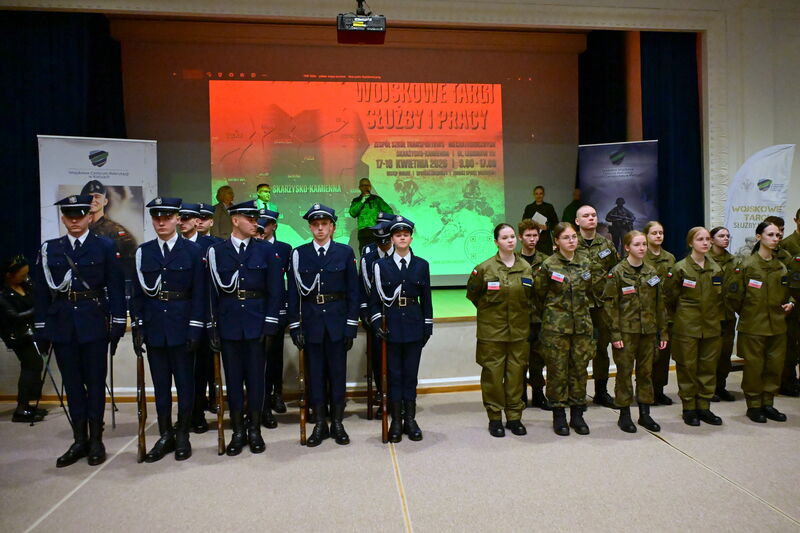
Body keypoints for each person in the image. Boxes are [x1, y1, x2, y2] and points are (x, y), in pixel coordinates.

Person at [33, 194, 126, 467]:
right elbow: (41, 292)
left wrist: (118, 320)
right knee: (72, 386)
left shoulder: (104, 246)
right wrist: (41, 326)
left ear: (88, 217)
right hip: (62, 325)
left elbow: (116, 286)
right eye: (69, 216)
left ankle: (96, 440)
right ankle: (79, 440)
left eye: (79, 215)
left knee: (95, 384)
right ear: (63, 219)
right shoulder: (51, 248)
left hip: (94, 323)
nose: (74, 220)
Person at [131, 198, 206, 462]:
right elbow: (137, 293)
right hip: (155, 327)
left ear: (177, 219)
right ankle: (165, 434)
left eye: (166, 217)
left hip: (182, 325)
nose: (161, 222)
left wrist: (196, 328)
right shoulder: (144, 252)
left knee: (186, 385)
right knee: (161, 386)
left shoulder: (193, 252)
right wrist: (138, 324)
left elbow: (199, 293)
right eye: (156, 218)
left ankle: (182, 433)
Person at [208, 200, 283, 455]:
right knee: (233, 379)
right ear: (235, 220)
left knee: (256, 379)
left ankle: (255, 429)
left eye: (256, 218)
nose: (255, 223)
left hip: (256, 323)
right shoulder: (218, 251)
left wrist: (271, 322)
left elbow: (275, 290)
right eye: (249, 218)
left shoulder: (265, 251)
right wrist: (213, 327)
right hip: (229, 323)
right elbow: (212, 294)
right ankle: (238, 430)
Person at [287, 204, 360, 447]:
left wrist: (351, 325)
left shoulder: (344, 252)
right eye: (315, 225)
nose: (319, 229)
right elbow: (293, 293)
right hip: (311, 323)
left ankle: (337, 422)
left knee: (337, 374)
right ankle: (320, 423)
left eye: (324, 225)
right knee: (315, 375)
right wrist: (296, 326)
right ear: (310, 227)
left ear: (332, 227)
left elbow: (353, 290)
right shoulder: (299, 254)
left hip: (338, 322)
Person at [534, 222, 601, 436]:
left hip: (581, 326)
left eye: (574, 236)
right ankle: (559, 414)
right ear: (556, 241)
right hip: (556, 328)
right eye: (566, 237)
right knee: (557, 371)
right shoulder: (548, 265)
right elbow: (539, 295)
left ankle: (578, 414)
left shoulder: (586, 263)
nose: (572, 240)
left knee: (580, 370)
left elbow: (591, 292)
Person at [369, 216, 433, 442]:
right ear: (392, 238)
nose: (402, 237)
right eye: (398, 235)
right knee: (394, 376)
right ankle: (396, 420)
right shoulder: (380, 266)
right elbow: (375, 300)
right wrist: (377, 323)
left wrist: (427, 325)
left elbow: (426, 298)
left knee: (410, 376)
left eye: (406, 234)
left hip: (414, 325)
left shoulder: (421, 264)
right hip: (392, 326)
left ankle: (410, 420)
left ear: (411, 237)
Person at [466, 223, 533, 437]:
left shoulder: (526, 268)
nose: (510, 240)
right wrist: (491, 315)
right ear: (496, 242)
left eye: (513, 236)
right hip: (492, 333)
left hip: (519, 332)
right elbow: (474, 295)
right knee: (493, 376)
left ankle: (514, 417)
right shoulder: (484, 268)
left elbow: (530, 298)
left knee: (516, 375)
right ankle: (494, 417)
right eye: (505, 238)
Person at [725, 221, 795, 423]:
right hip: (754, 326)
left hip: (778, 325)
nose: (775, 239)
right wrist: (750, 313)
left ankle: (768, 403)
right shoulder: (746, 265)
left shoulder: (780, 266)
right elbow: (733, 297)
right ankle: (754, 405)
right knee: (755, 367)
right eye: (771, 235)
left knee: (774, 367)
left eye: (778, 236)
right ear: (759, 237)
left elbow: (788, 293)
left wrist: (790, 303)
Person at [602, 231, 667, 433]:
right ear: (627, 247)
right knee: (624, 373)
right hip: (626, 332)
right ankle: (624, 414)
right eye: (637, 244)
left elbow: (660, 304)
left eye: (644, 244)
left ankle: (645, 413)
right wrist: (615, 334)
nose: (642, 248)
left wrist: (662, 333)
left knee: (646, 372)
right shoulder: (617, 272)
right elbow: (609, 306)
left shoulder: (652, 272)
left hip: (648, 332)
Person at [668, 227, 724, 427]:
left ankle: (704, 407)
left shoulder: (716, 269)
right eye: (700, 239)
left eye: (708, 239)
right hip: (687, 326)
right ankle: (689, 408)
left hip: (710, 326)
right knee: (688, 367)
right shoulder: (680, 268)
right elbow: (670, 298)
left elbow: (720, 297)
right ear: (691, 243)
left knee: (708, 368)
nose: (705, 243)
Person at [178, 203, 220, 432]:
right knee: (183, 369)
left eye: (188, 218)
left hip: (204, 317)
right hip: (180, 317)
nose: (183, 222)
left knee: (202, 368)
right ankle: (187, 412)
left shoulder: (212, 247)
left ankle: (198, 411)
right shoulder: (175, 246)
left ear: (196, 221)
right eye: (180, 218)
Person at [574, 205, 620, 408]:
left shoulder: (607, 245)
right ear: (578, 221)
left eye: (593, 215)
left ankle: (601, 392)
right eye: (586, 216)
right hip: (579, 307)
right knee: (579, 350)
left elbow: (614, 272)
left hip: (602, 306)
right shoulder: (571, 244)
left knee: (601, 349)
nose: (591, 218)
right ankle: (578, 394)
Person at [256, 210, 292, 428]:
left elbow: (288, 281)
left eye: (265, 225)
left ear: (274, 226)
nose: (261, 228)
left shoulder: (284, 249)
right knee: (258, 358)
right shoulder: (253, 246)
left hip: (278, 309)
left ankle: (276, 393)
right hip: (256, 310)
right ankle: (261, 399)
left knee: (275, 355)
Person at [0, 255, 45, 422]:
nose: (25, 277)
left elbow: (37, 299)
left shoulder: (26, 285)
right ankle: (21, 408)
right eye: (21, 274)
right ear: (9, 275)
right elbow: (15, 316)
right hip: (17, 335)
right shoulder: (3, 294)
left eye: (26, 274)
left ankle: (27, 404)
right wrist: (38, 309)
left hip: (31, 332)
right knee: (31, 365)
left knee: (35, 364)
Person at [359, 212, 395, 415]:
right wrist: (366, 313)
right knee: (377, 357)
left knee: (396, 357)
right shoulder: (368, 254)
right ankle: (382, 393)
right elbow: (363, 287)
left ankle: (395, 394)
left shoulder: (401, 250)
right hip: (375, 314)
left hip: (397, 313)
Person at [517, 219, 551, 410]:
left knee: (539, 360)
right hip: (519, 319)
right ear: (520, 237)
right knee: (519, 361)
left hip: (540, 318)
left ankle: (539, 395)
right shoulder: (513, 260)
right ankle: (520, 396)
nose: (532, 239)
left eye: (535, 235)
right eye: (528, 235)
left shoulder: (546, 261)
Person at [643, 221, 677, 405]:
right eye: (654, 233)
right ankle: (646, 391)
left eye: (661, 233)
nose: (658, 236)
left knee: (663, 355)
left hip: (666, 312)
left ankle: (659, 389)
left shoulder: (670, 258)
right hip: (646, 311)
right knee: (648, 355)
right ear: (646, 235)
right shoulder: (642, 256)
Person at [81, 180, 138, 278]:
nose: (93, 200)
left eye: (97, 196)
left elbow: (129, 267)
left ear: (105, 201)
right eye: (89, 197)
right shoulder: (78, 230)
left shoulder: (116, 232)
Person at [709, 226, 737, 402]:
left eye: (728, 236)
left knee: (725, 355)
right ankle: (708, 388)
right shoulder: (704, 260)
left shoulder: (734, 261)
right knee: (710, 355)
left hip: (728, 314)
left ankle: (721, 386)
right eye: (721, 236)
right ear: (711, 240)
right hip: (711, 316)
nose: (726, 239)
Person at [780, 208, 800, 396]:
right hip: (794, 301)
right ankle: (789, 382)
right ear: (796, 220)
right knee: (790, 345)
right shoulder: (787, 245)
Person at [349, 178, 393, 253]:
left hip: (375, 231)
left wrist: (382, 224)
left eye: (367, 185)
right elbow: (353, 213)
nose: (365, 187)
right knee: (364, 253)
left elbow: (389, 212)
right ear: (359, 187)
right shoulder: (356, 200)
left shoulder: (376, 199)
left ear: (370, 187)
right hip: (363, 231)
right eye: (363, 185)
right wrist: (362, 200)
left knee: (376, 253)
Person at [521, 185, 558, 255]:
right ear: (534, 195)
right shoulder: (529, 208)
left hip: (545, 239)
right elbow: (523, 223)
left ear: (543, 194)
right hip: (532, 239)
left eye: (540, 193)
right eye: (536, 194)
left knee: (546, 260)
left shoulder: (549, 207)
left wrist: (547, 227)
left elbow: (556, 223)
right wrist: (532, 224)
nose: (538, 196)